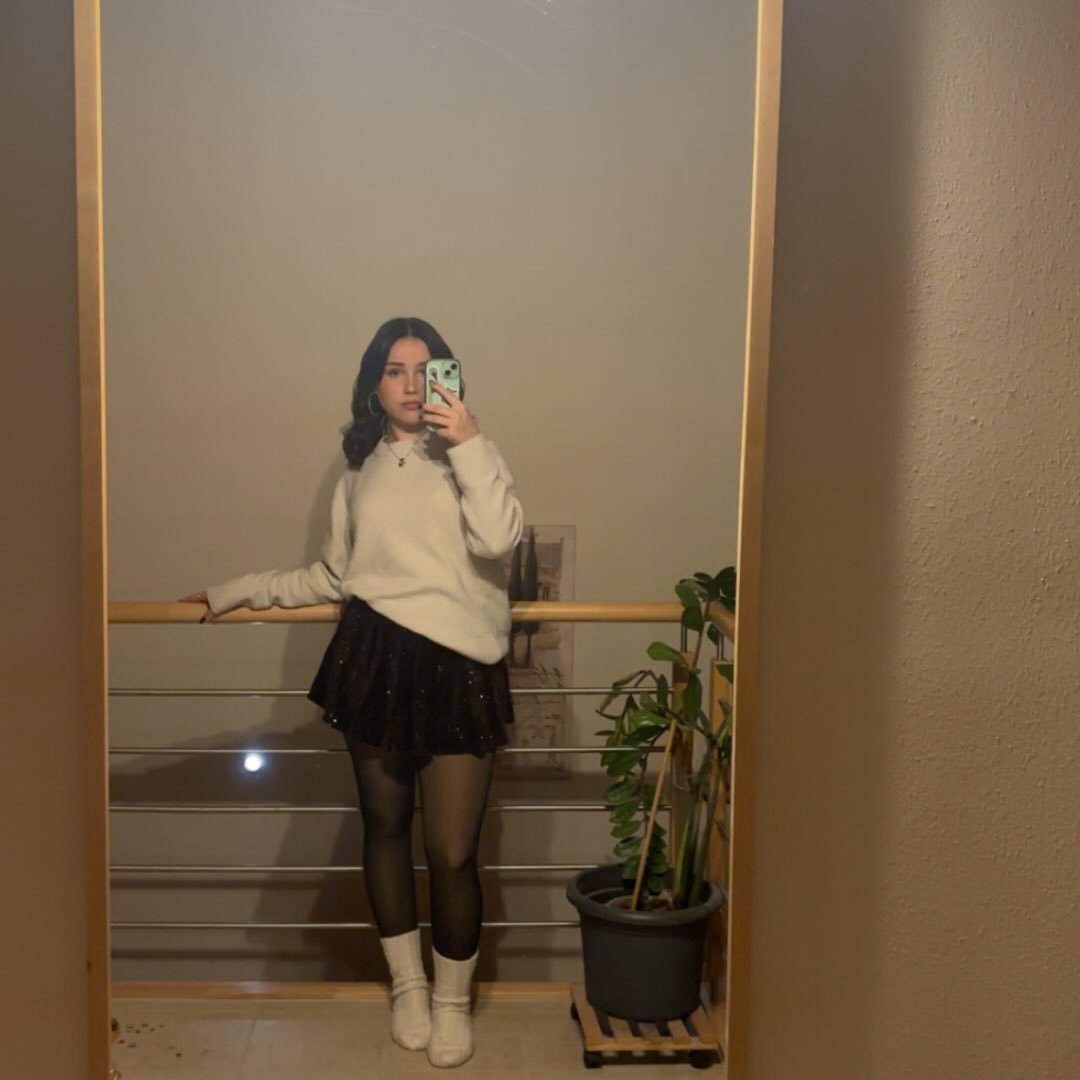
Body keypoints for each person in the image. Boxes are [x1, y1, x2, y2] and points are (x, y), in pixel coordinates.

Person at [181, 316, 523, 1068]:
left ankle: (452, 1002)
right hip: (375, 656)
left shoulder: (473, 452)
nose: (411, 385)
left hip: (461, 665)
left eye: (425, 369)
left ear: (449, 379)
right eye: (395, 370)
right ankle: (408, 987)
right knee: (385, 828)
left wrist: (468, 441)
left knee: (453, 851)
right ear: (374, 385)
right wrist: (237, 591)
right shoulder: (358, 472)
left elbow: (499, 541)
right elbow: (334, 576)